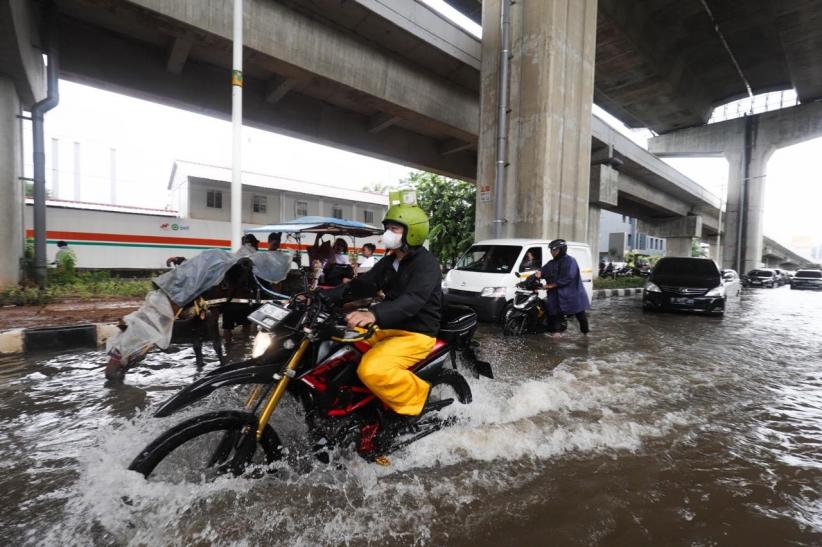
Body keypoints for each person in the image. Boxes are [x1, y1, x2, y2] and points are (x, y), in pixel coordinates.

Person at [326, 190, 441, 418]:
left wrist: (373, 314)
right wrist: (321, 296)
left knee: (372, 369)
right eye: (387, 228)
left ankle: (417, 404)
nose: (388, 234)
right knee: (337, 345)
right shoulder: (390, 261)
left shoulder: (427, 264)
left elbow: (413, 300)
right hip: (389, 327)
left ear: (413, 232)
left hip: (415, 333)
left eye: (394, 229)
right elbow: (363, 285)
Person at [535, 239, 590, 334]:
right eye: (551, 250)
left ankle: (586, 336)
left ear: (562, 250)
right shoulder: (551, 263)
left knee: (581, 317)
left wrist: (551, 285)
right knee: (554, 316)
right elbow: (542, 271)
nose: (552, 252)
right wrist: (536, 274)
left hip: (573, 296)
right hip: (556, 297)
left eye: (554, 250)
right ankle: (556, 337)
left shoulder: (571, 261)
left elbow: (568, 277)